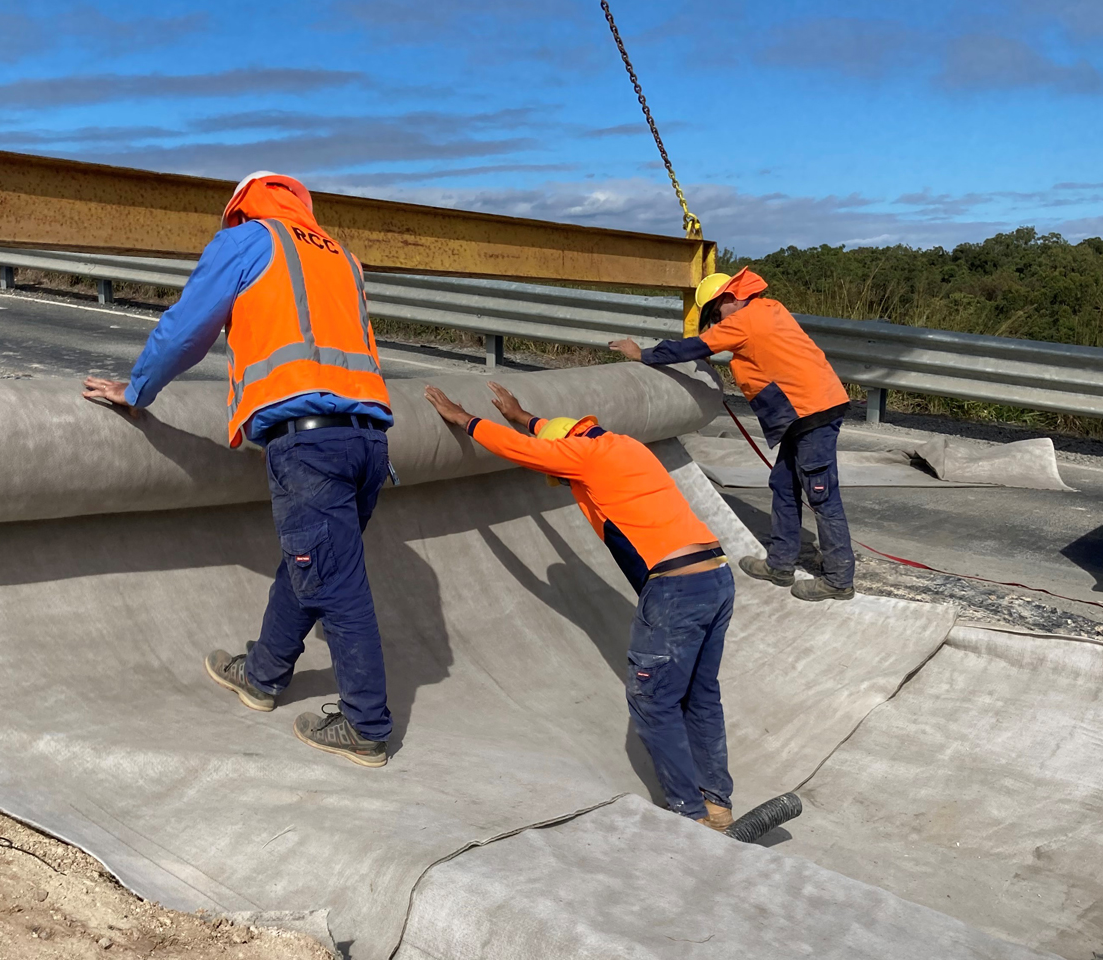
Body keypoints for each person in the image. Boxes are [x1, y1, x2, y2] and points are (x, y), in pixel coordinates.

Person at [82, 171, 395, 767]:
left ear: (241, 208)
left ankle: (366, 725)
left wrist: (138, 390)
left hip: (309, 446)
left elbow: (186, 331)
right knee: (313, 563)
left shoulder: (249, 241)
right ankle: (261, 676)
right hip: (370, 442)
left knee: (336, 584)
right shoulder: (342, 259)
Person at [424, 380, 736, 831]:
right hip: (716, 576)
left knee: (653, 699)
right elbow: (555, 433)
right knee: (700, 695)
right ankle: (717, 804)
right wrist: (524, 415)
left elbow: (519, 450)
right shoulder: (621, 444)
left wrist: (464, 419)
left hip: (676, 590)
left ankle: (689, 815)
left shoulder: (583, 459)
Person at [610, 267, 855, 602]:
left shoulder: (743, 321)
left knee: (821, 495)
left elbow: (693, 347)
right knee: (784, 485)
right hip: (808, 412)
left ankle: (839, 581)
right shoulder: (770, 310)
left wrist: (643, 354)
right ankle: (780, 565)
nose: (716, 320)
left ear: (729, 298)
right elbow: (760, 351)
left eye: (715, 312)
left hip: (810, 413)